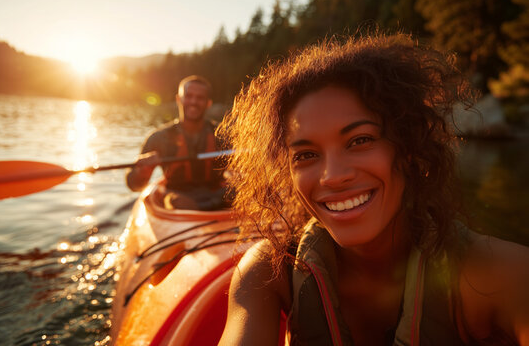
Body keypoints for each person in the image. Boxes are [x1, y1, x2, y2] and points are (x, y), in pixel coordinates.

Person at [217, 33, 529, 345]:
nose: (333, 177)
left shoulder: (501, 273)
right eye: (306, 155)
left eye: (360, 140)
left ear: (407, 148)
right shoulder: (267, 272)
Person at [126, 75, 229, 210]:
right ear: (178, 99)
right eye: (189, 96)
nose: (193, 102)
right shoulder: (158, 138)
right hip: (179, 199)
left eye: (200, 98)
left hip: (218, 195)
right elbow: (134, 185)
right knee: (178, 202)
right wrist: (143, 172)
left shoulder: (224, 134)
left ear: (208, 103)